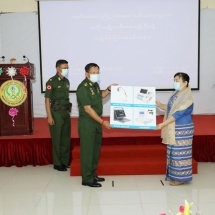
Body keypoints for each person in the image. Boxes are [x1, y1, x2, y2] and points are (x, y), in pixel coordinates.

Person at [76, 63, 113, 187]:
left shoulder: (95, 85)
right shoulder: (83, 88)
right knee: (87, 151)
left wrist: (108, 89)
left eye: (97, 72)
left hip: (96, 121)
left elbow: (100, 96)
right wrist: (102, 122)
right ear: (87, 73)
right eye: (93, 72)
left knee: (94, 150)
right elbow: (88, 109)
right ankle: (86, 179)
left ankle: (92, 174)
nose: (96, 74)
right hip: (87, 122)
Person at [156, 72, 194, 186]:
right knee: (173, 153)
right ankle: (173, 175)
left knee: (180, 154)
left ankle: (181, 178)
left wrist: (163, 124)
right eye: (174, 80)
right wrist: (159, 104)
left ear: (185, 82)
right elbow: (170, 108)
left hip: (182, 129)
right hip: (174, 127)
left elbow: (177, 114)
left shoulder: (187, 98)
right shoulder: (177, 94)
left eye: (177, 80)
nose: (175, 82)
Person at [45, 59, 72, 172]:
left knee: (65, 137)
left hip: (66, 112)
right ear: (57, 68)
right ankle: (57, 163)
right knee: (57, 138)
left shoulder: (66, 81)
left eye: (67, 67)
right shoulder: (51, 82)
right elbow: (47, 100)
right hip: (56, 112)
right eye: (64, 67)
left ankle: (64, 161)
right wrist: (49, 116)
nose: (66, 69)